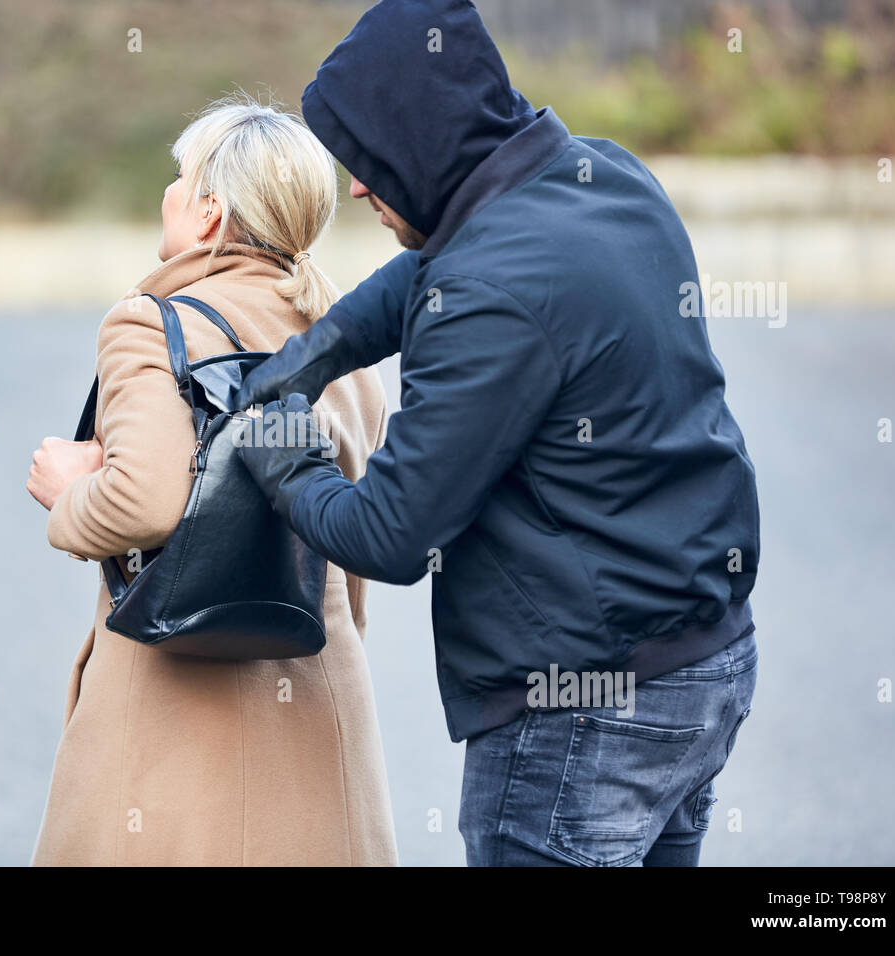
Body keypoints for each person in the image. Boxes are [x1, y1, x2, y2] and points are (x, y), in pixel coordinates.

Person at [233, 0, 760, 866]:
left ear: (418, 144)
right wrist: (317, 352)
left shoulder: (487, 293)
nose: (358, 187)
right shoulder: (607, 175)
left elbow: (391, 533)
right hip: (709, 667)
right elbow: (432, 271)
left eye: (368, 162)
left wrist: (282, 449)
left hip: (586, 713)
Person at [25, 96, 398, 866]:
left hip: (174, 717)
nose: (168, 190)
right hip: (320, 701)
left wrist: (69, 492)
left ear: (207, 215)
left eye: (179, 176)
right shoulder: (341, 340)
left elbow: (145, 496)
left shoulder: (152, 325)